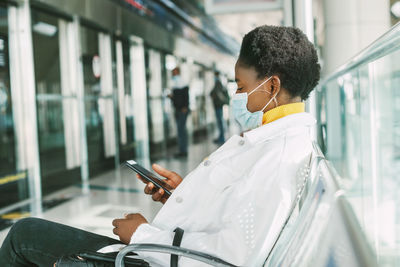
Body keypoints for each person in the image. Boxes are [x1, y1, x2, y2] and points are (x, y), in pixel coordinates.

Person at [0, 25, 320, 266]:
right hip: (164, 251)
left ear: (273, 85)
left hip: (158, 256)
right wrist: (184, 194)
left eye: (242, 86)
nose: (238, 96)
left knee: (23, 236)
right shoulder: (277, 141)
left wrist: (141, 235)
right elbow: (236, 214)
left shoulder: (278, 158)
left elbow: (231, 259)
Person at [169, 67, 189, 158]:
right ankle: (182, 150)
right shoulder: (175, 84)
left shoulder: (183, 83)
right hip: (177, 110)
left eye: (175, 72)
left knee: (181, 130)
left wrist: (185, 107)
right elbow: (177, 98)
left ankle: (183, 151)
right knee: (180, 130)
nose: (173, 75)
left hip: (182, 110)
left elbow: (185, 97)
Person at [210, 71, 229, 145]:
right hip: (218, 105)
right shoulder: (218, 83)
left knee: (220, 122)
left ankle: (221, 138)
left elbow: (215, 93)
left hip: (218, 105)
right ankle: (220, 137)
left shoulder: (218, 83)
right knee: (219, 121)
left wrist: (212, 94)